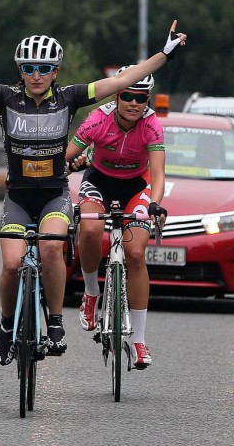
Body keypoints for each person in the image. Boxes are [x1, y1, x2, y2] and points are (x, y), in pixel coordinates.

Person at [0, 11, 186, 366]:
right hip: (17, 197)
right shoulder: (3, 97)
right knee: (12, 266)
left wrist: (165, 54)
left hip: (54, 196)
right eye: (29, 68)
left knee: (51, 251)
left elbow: (125, 80)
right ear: (20, 71)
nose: (36, 75)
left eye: (44, 68)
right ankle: (6, 326)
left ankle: (56, 322)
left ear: (56, 72)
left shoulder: (70, 98)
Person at [66, 65, 167, 369]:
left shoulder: (152, 125)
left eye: (142, 98)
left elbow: (159, 174)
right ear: (118, 95)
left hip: (137, 186)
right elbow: (67, 155)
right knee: (91, 228)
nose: (135, 103)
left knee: (136, 254)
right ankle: (91, 292)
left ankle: (138, 340)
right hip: (99, 180)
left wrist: (155, 204)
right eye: (129, 96)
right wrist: (67, 166)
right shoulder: (98, 118)